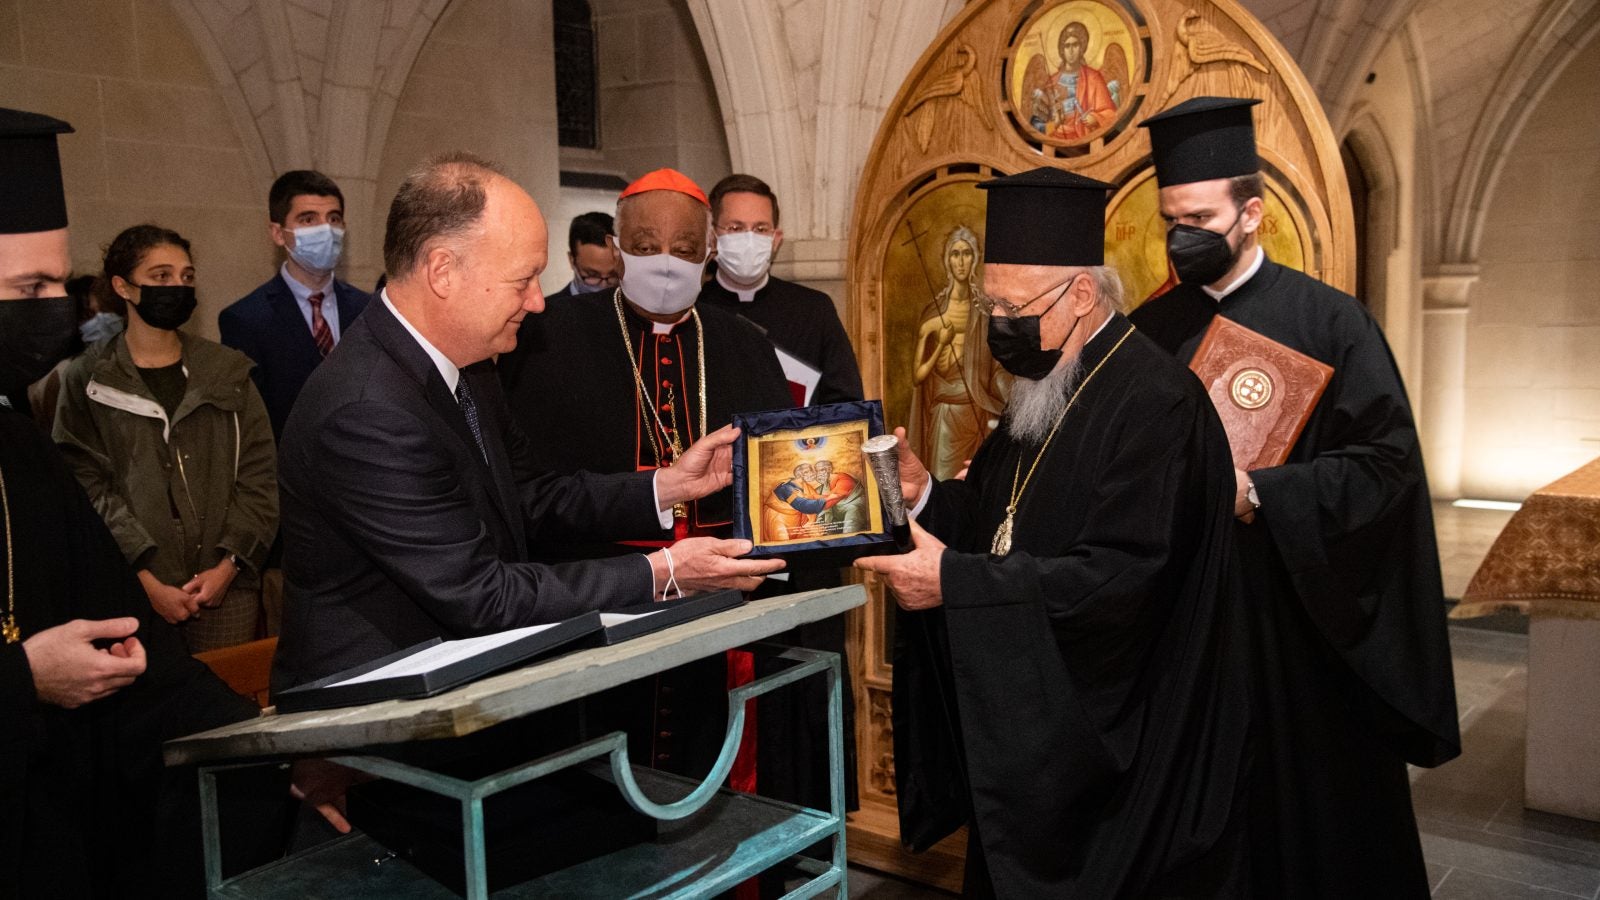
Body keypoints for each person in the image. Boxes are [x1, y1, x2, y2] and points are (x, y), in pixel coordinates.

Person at [859, 167, 1252, 898]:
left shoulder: (1157, 404)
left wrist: (954, 584)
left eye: (1013, 305)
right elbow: (997, 521)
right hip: (1037, 732)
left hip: (1117, 749)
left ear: (1081, 296)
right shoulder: (1043, 387)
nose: (998, 324)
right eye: (990, 303)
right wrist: (924, 498)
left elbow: (1121, 584)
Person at [272, 154, 780, 699]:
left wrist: (666, 487)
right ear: (443, 271)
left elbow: (531, 494)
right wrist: (663, 571)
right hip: (380, 716)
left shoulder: (467, 366)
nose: (539, 302)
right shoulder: (369, 410)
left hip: (464, 688)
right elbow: (482, 595)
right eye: (524, 280)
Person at [1128, 96, 1459, 897]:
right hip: (1184, 622)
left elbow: (1386, 468)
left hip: (1295, 622)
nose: (1183, 236)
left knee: (1308, 832)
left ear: (1253, 213)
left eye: (1201, 216)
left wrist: (1266, 493)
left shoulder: (1332, 322)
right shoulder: (1147, 329)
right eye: (1172, 217)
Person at [498, 168, 853, 815]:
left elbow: (790, 486)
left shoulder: (743, 344)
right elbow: (529, 499)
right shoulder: (548, 339)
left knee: (717, 791)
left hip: (720, 624)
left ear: (709, 249)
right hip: (598, 614)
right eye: (646, 243)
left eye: (686, 249)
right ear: (617, 240)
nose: (666, 261)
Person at [0, 106, 267, 900]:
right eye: (30, 287)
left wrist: (264, 745)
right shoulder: (74, 395)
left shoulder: (18, 448)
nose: (56, 308)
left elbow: (132, 640)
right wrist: (20, 680)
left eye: (58, 281)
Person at [53, 225, 278, 653]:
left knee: (226, 706)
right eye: (161, 277)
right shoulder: (88, 378)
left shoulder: (227, 370)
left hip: (224, 586)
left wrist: (228, 563)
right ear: (124, 287)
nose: (177, 286)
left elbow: (259, 475)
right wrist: (143, 577)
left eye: (186, 276)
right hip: (131, 587)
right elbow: (86, 487)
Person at [219, 170, 373, 440]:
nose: (325, 230)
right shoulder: (246, 320)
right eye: (308, 219)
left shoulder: (369, 308)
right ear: (278, 233)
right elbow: (250, 425)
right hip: (289, 471)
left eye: (334, 219)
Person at [698, 174, 863, 407]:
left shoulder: (814, 310)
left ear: (776, 239)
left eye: (761, 228)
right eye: (735, 228)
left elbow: (845, 402)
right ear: (712, 236)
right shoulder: (693, 308)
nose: (748, 239)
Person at [909, 224, 1009, 479]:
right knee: (944, 487)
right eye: (955, 254)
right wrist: (942, 344)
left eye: (967, 253)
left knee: (982, 489)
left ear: (975, 259)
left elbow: (997, 364)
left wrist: (1010, 393)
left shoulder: (985, 311)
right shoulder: (933, 312)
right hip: (946, 413)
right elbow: (918, 377)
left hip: (980, 411)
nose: (961, 261)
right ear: (947, 260)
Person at [1024, 22, 1118, 141]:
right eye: (1067, 46)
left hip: (1086, 135)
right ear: (1062, 50)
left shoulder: (1093, 77)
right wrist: (1056, 123)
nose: (1071, 50)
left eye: (1075, 45)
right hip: (1056, 139)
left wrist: (1096, 117)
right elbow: (1039, 123)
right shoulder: (1051, 82)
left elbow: (1111, 113)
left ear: (1082, 48)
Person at [551, 210, 621, 300]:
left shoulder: (636, 309)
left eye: (613, 275)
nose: (604, 286)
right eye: (593, 275)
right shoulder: (546, 312)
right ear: (572, 260)